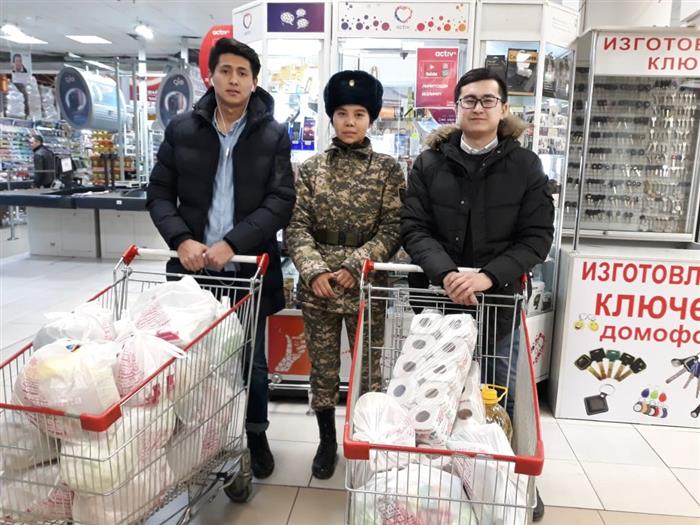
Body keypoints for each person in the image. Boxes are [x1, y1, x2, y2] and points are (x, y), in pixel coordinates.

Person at [400, 67, 553, 521]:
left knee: (495, 396)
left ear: (503, 109)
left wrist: (487, 276)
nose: (478, 108)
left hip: (498, 301)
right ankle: (438, 482)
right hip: (436, 303)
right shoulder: (429, 163)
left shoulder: (526, 166)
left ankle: (502, 480)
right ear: (456, 107)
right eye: (469, 100)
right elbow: (413, 227)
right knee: (432, 392)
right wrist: (447, 273)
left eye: (488, 100)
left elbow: (537, 237)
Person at [146, 38, 295, 481]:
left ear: (254, 81)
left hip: (249, 270)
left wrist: (234, 242)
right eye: (225, 70)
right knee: (191, 359)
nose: (233, 80)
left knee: (253, 362)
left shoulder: (273, 134)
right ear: (211, 76)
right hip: (193, 273)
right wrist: (181, 240)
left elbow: (281, 200)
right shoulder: (182, 129)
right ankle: (194, 437)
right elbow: (158, 193)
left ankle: (256, 435)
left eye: (242, 73)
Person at [286, 70, 404, 479]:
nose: (349, 122)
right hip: (318, 287)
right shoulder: (311, 168)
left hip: (366, 286)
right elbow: (296, 226)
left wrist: (357, 265)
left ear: (371, 118)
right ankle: (326, 441)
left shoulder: (388, 169)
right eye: (341, 113)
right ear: (331, 117)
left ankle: (366, 435)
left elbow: (393, 227)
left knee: (368, 369)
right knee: (322, 368)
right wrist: (314, 271)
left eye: (358, 114)